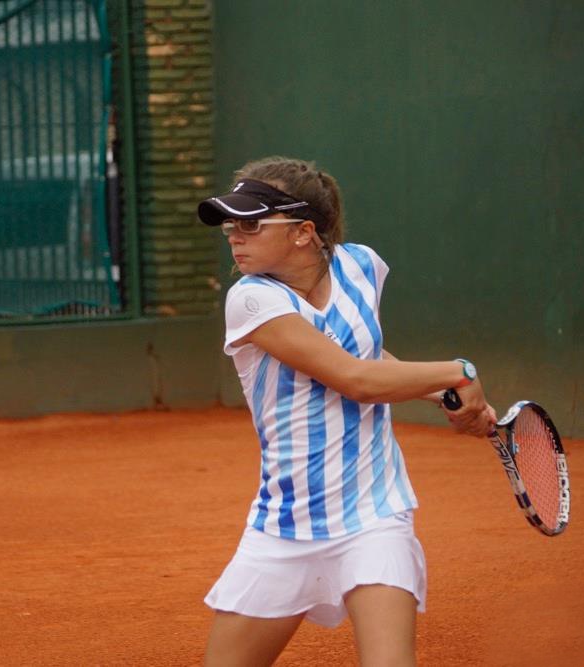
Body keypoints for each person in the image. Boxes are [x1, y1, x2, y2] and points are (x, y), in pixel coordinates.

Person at [196, 156, 496, 666]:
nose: (234, 237)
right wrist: (457, 373)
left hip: (374, 516)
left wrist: (441, 395)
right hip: (284, 527)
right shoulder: (251, 300)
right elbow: (354, 378)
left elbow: (362, 351)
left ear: (303, 232)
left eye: (251, 224)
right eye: (230, 226)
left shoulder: (361, 266)